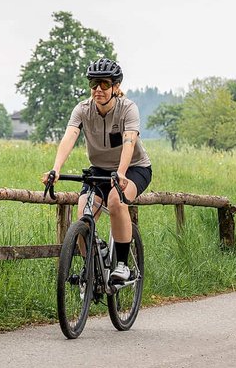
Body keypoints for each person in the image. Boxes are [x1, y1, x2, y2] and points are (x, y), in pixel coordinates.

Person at [41, 57, 153, 283]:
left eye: (104, 84)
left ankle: (122, 265)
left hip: (133, 168)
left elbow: (129, 141)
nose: (98, 89)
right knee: (84, 214)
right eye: (93, 84)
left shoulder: (127, 109)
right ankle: (91, 266)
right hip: (99, 169)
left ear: (116, 86)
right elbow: (70, 136)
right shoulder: (83, 109)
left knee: (115, 201)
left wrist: (120, 173)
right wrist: (56, 169)